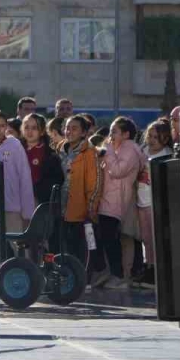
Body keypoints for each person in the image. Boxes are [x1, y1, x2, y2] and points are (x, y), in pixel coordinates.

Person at [95, 117, 143, 290]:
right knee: (106, 237)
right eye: (111, 131)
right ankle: (112, 272)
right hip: (109, 198)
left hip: (115, 200)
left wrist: (107, 151)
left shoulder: (129, 149)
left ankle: (119, 275)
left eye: (115, 131)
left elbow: (117, 171)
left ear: (126, 134)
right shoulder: (119, 149)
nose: (110, 135)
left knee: (110, 238)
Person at [58, 114, 99, 271]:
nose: (69, 131)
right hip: (62, 208)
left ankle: (84, 278)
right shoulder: (60, 149)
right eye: (67, 128)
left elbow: (93, 184)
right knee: (66, 247)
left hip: (82, 211)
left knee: (84, 247)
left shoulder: (89, 152)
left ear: (83, 133)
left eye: (74, 128)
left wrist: (91, 208)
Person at [0, 110, 35, 233]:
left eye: (2, 126)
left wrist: (27, 210)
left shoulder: (14, 145)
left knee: (19, 247)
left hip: (12, 207)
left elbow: (25, 176)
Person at [22, 113, 63, 207]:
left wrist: (35, 191)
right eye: (26, 127)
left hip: (39, 202)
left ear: (42, 131)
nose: (29, 131)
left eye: (34, 128)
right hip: (16, 200)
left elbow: (55, 181)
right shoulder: (16, 149)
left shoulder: (51, 155)